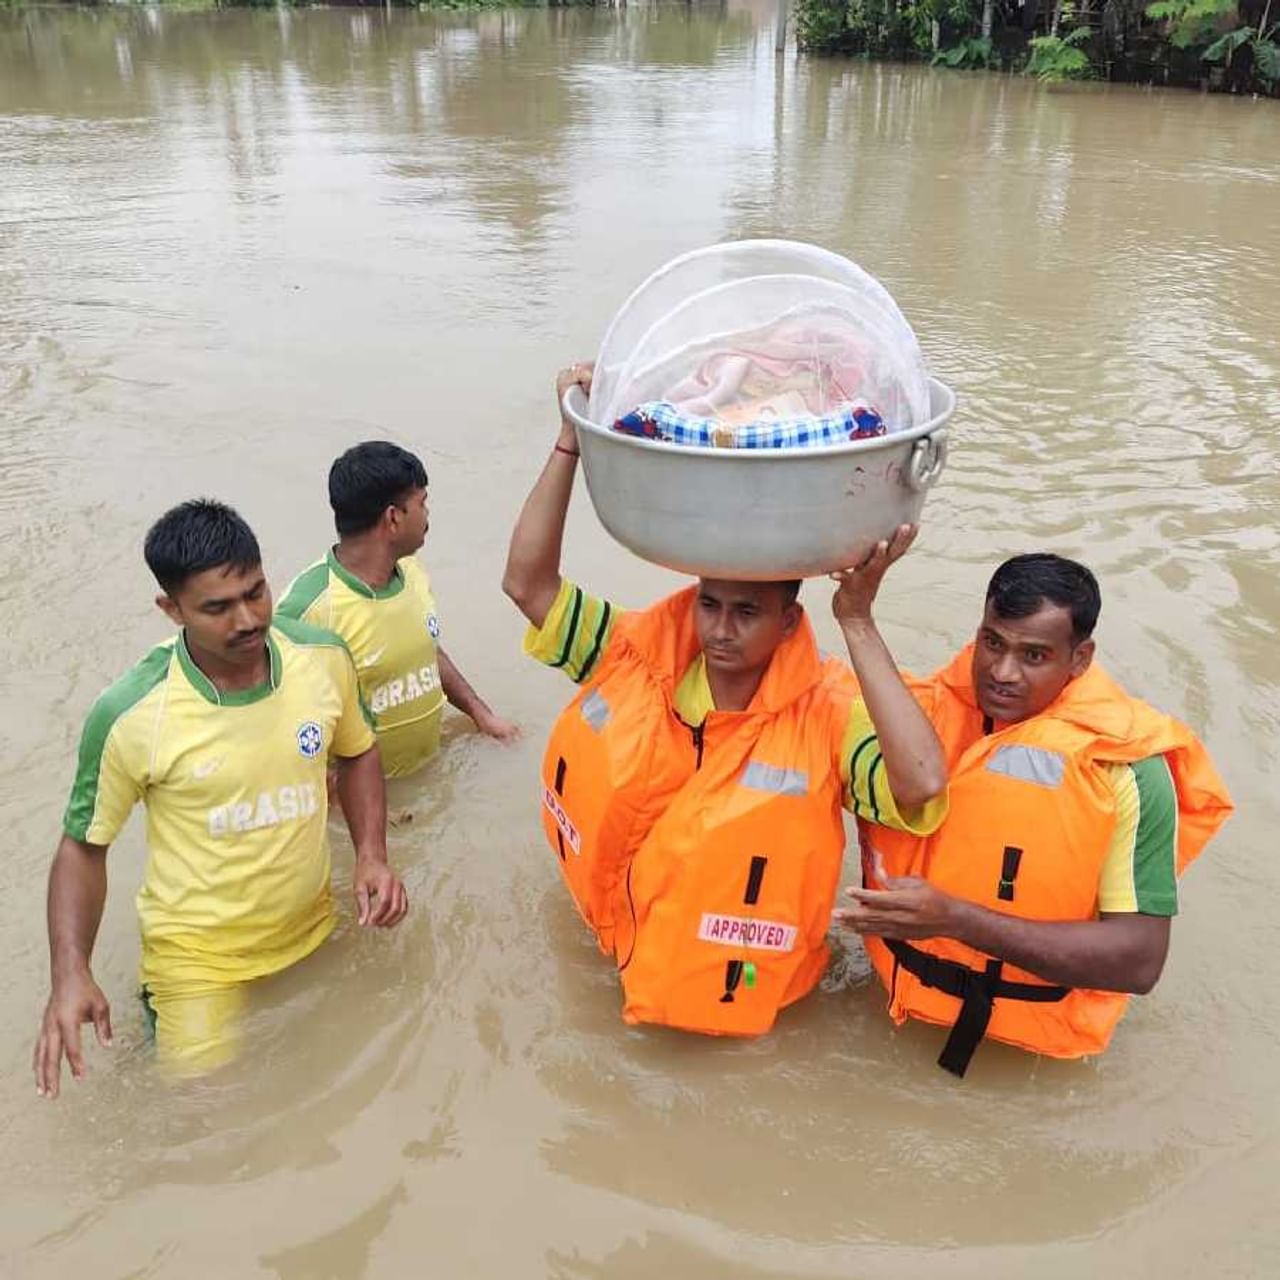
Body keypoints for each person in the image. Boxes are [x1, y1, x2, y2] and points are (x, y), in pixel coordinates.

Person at [501, 363, 948, 1037]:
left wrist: (857, 618)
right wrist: (570, 438)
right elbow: (526, 585)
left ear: (790, 620)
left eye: (746, 612)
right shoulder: (634, 655)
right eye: (709, 604)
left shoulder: (828, 712)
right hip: (614, 965)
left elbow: (919, 783)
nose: (719, 629)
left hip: (755, 1009)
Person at [33, 500, 408, 1095]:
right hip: (197, 964)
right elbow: (83, 848)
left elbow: (358, 750)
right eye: (218, 607)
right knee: (203, 1113)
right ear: (171, 609)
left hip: (314, 929)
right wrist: (70, 971)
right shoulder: (132, 712)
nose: (248, 619)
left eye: (256, 592)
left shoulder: (322, 659)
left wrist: (371, 854)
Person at [835, 553, 1234, 1077]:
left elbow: (1138, 960)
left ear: (1080, 659)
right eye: (992, 642)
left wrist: (956, 921)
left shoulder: (1128, 769)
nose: (1002, 672)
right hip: (886, 1014)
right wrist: (856, 616)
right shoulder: (915, 714)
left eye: (1034, 655)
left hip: (1029, 1063)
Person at [277, 442, 516, 780]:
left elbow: (427, 651)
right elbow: (275, 717)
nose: (428, 515)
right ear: (393, 518)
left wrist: (482, 715)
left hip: (428, 779)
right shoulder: (309, 608)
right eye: (422, 504)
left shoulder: (412, 574)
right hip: (363, 804)